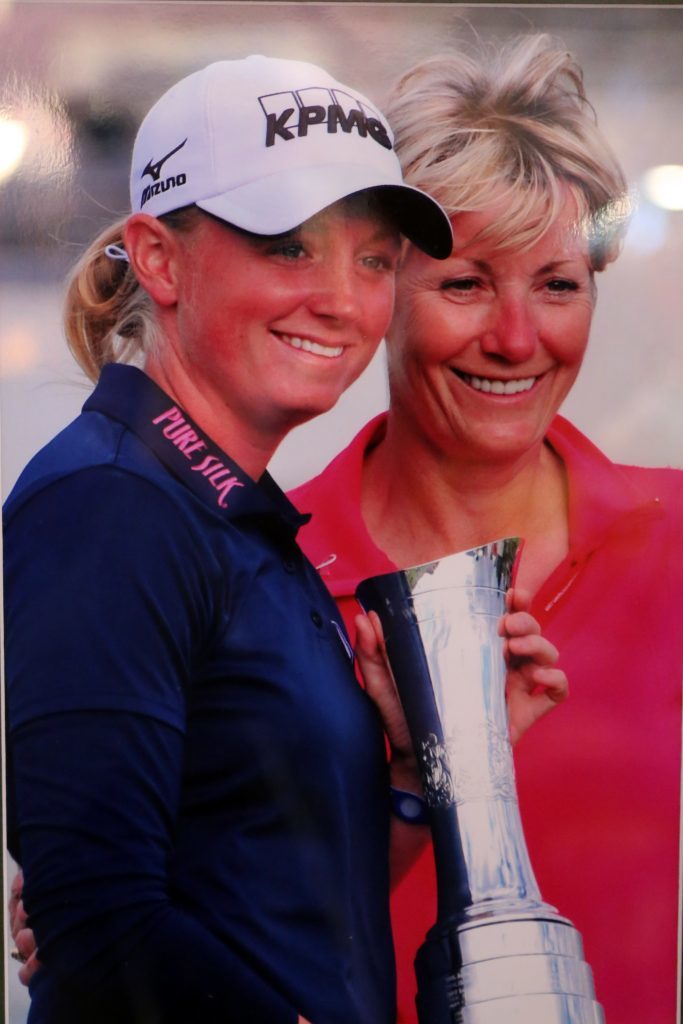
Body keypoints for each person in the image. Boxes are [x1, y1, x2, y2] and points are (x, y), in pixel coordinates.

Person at [4, 54, 565, 1024]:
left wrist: (410, 769)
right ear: (159, 257)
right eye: (289, 247)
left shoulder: (239, 518)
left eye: (375, 259)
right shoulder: (109, 503)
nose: (341, 301)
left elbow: (294, 909)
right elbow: (94, 924)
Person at [290, 35, 683, 1024]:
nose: (516, 338)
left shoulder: (675, 537)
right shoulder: (260, 566)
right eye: (464, 283)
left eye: (555, 285)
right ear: (378, 295)